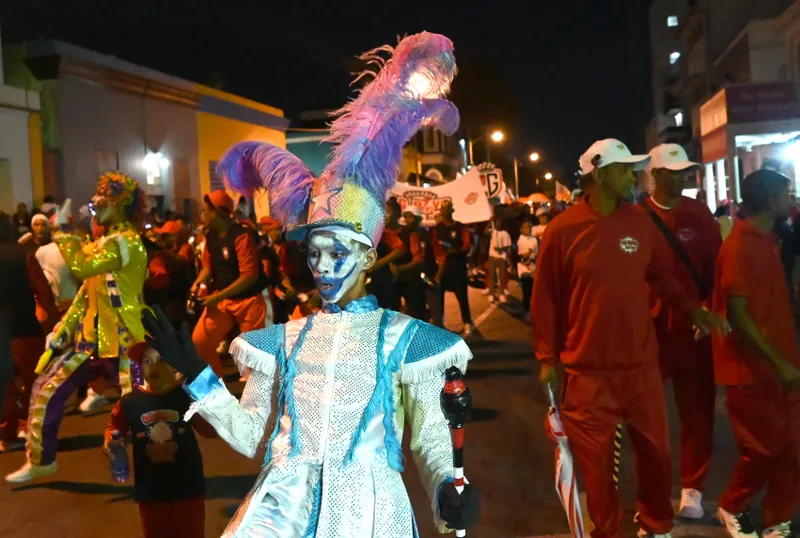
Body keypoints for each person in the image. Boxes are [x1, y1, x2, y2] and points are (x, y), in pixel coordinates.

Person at [143, 32, 479, 537]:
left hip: (369, 514)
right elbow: (248, 434)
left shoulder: (407, 340)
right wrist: (197, 373)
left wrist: (446, 493)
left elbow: (431, 439)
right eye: (314, 253)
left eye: (337, 253)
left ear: (368, 256)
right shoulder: (283, 340)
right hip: (280, 512)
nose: (322, 267)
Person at [533, 139, 727, 538]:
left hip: (641, 368)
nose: (633, 176)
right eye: (624, 169)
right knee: (598, 469)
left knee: (657, 455)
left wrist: (694, 309)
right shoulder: (562, 230)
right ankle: (607, 531)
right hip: (588, 374)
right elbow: (546, 299)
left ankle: (655, 524)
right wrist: (546, 359)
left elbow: (661, 278)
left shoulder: (639, 222)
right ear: (601, 173)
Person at [6, 171, 149, 483]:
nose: (96, 202)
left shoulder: (125, 242)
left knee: (141, 408)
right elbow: (86, 293)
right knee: (46, 389)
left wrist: (61, 232)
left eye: (105, 198)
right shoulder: (104, 243)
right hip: (91, 341)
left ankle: (158, 468)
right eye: (98, 197)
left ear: (120, 204)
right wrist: (62, 329)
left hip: (127, 341)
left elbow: (82, 267)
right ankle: (41, 460)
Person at [712, 169, 800, 538]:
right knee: (762, 450)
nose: (791, 200)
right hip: (750, 371)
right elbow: (738, 315)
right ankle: (732, 506)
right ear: (768, 200)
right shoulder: (740, 246)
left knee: (792, 448)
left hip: (781, 368)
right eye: (786, 193)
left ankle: (776, 520)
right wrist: (778, 362)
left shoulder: (769, 240)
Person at [641, 143, 722, 519]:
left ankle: (693, 488)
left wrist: (709, 310)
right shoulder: (636, 217)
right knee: (647, 415)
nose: (682, 178)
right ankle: (654, 488)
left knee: (697, 412)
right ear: (655, 174)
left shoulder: (699, 214)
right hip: (650, 333)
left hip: (692, 332)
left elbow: (716, 271)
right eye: (674, 172)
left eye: (684, 172)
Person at [104, 344, 216, 538]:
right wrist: (111, 441)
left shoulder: (187, 396)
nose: (154, 367)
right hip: (151, 491)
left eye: (162, 360)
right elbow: (114, 426)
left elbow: (211, 431)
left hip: (188, 488)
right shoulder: (129, 402)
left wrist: (208, 394)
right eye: (147, 361)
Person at [190, 190, 270, 375]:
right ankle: (215, 385)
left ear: (217, 212)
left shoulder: (241, 236)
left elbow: (249, 276)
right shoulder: (210, 237)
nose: (202, 215)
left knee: (254, 356)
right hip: (224, 301)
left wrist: (217, 296)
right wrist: (196, 284)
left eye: (204, 211)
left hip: (249, 301)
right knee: (201, 341)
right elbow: (207, 267)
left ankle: (260, 390)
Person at [0, 214, 58, 453]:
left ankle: (5, 434)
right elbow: (43, 292)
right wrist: (52, 322)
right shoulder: (22, 255)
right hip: (24, 328)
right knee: (34, 382)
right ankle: (30, 428)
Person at [432, 200, 475, 335]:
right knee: (439, 296)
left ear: (452, 211)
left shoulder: (460, 227)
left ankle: (467, 322)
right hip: (442, 267)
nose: (446, 212)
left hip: (458, 266)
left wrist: (456, 252)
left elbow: (467, 245)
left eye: (448, 209)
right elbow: (434, 246)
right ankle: (440, 322)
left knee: (462, 296)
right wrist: (440, 258)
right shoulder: (437, 229)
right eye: (443, 209)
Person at [394, 205, 428, 320]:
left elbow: (419, 258)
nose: (408, 219)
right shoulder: (401, 233)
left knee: (418, 310)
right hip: (402, 278)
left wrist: (401, 268)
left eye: (411, 217)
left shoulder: (424, 234)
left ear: (418, 219)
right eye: (406, 216)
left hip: (416, 277)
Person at [484, 215, 512, 303]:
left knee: (501, 277)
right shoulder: (493, 231)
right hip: (492, 257)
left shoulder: (505, 234)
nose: (498, 224)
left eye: (499, 222)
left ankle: (501, 294)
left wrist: (500, 249)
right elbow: (485, 232)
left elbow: (507, 247)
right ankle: (491, 294)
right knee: (491, 276)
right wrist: (490, 222)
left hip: (501, 257)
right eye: (496, 222)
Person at [516, 220, 537, 323]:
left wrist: (528, 255)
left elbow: (531, 251)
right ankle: (526, 310)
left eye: (529, 227)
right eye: (525, 227)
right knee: (526, 289)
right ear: (521, 229)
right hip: (523, 268)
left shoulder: (534, 239)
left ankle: (533, 310)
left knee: (533, 290)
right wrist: (523, 258)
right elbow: (520, 253)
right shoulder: (520, 239)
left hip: (533, 267)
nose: (527, 229)